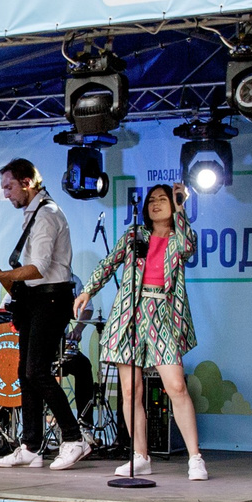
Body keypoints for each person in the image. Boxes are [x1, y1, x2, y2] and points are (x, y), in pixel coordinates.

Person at [0, 159, 90, 471]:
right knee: (24, 373)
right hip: (36, 299)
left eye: (9, 186)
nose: (5, 194)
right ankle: (31, 446)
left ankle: (74, 438)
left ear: (28, 182)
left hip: (52, 299)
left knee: (36, 372)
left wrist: (4, 273)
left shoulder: (46, 215)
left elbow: (39, 268)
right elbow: (26, 274)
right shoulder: (34, 214)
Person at [75, 182, 207, 481]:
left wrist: (181, 204)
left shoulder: (179, 237)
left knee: (175, 386)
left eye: (163, 199)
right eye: (152, 200)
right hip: (129, 313)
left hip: (162, 313)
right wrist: (88, 291)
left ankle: (195, 458)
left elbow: (188, 247)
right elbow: (109, 263)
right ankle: (140, 455)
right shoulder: (136, 235)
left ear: (174, 206)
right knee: (130, 390)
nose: (156, 204)